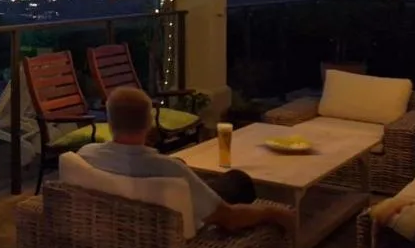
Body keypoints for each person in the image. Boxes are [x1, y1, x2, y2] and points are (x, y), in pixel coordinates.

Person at [78, 87, 295, 234]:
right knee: (238, 180)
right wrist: (271, 212)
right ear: (149, 123)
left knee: (188, 168)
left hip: (126, 227)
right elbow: (228, 218)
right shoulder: (168, 170)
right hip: (174, 232)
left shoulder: (86, 155)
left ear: (110, 121)